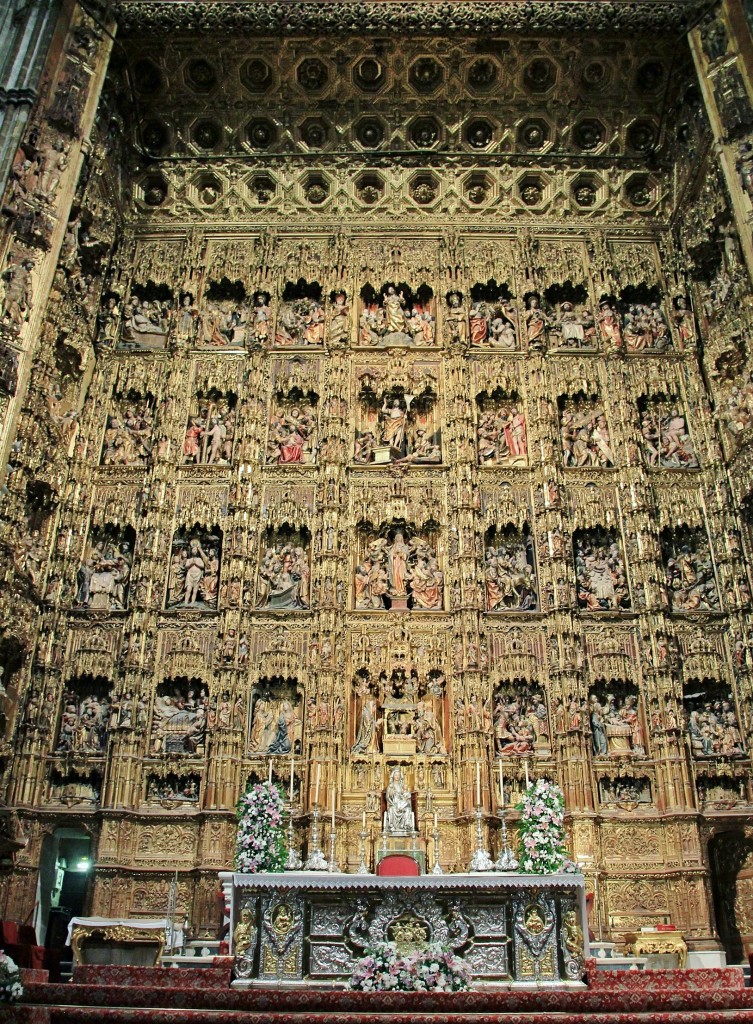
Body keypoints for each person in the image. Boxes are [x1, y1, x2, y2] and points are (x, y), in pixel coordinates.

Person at [384, 767, 414, 834]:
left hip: (401, 803)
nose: (397, 777)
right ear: (393, 776)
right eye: (396, 775)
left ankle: (406, 825)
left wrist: (405, 797)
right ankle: (392, 826)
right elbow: (387, 797)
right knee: (392, 809)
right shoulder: (391, 786)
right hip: (394, 803)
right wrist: (392, 801)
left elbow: (405, 795)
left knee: (408, 809)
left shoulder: (401, 786)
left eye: (398, 775)